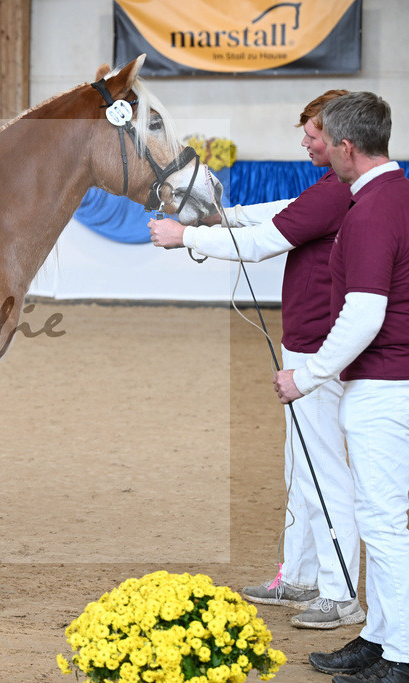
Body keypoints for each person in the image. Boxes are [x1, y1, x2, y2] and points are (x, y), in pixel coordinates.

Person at [149, 91, 362, 630]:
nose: (305, 141)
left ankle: (338, 592)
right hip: (309, 342)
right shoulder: (331, 188)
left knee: (323, 470)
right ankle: (300, 575)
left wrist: (186, 236)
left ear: (340, 136)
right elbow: (280, 214)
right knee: (302, 466)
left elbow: (270, 238)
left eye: (313, 133)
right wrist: (223, 218)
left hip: (319, 347)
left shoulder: (340, 190)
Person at [274, 91, 409, 683]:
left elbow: (364, 314)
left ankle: (400, 653)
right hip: (386, 380)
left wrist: (308, 375)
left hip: (384, 384)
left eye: (324, 140)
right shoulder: (389, 195)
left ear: (346, 147)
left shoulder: (374, 208)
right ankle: (379, 636)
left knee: (382, 523)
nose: (317, 149)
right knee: (381, 518)